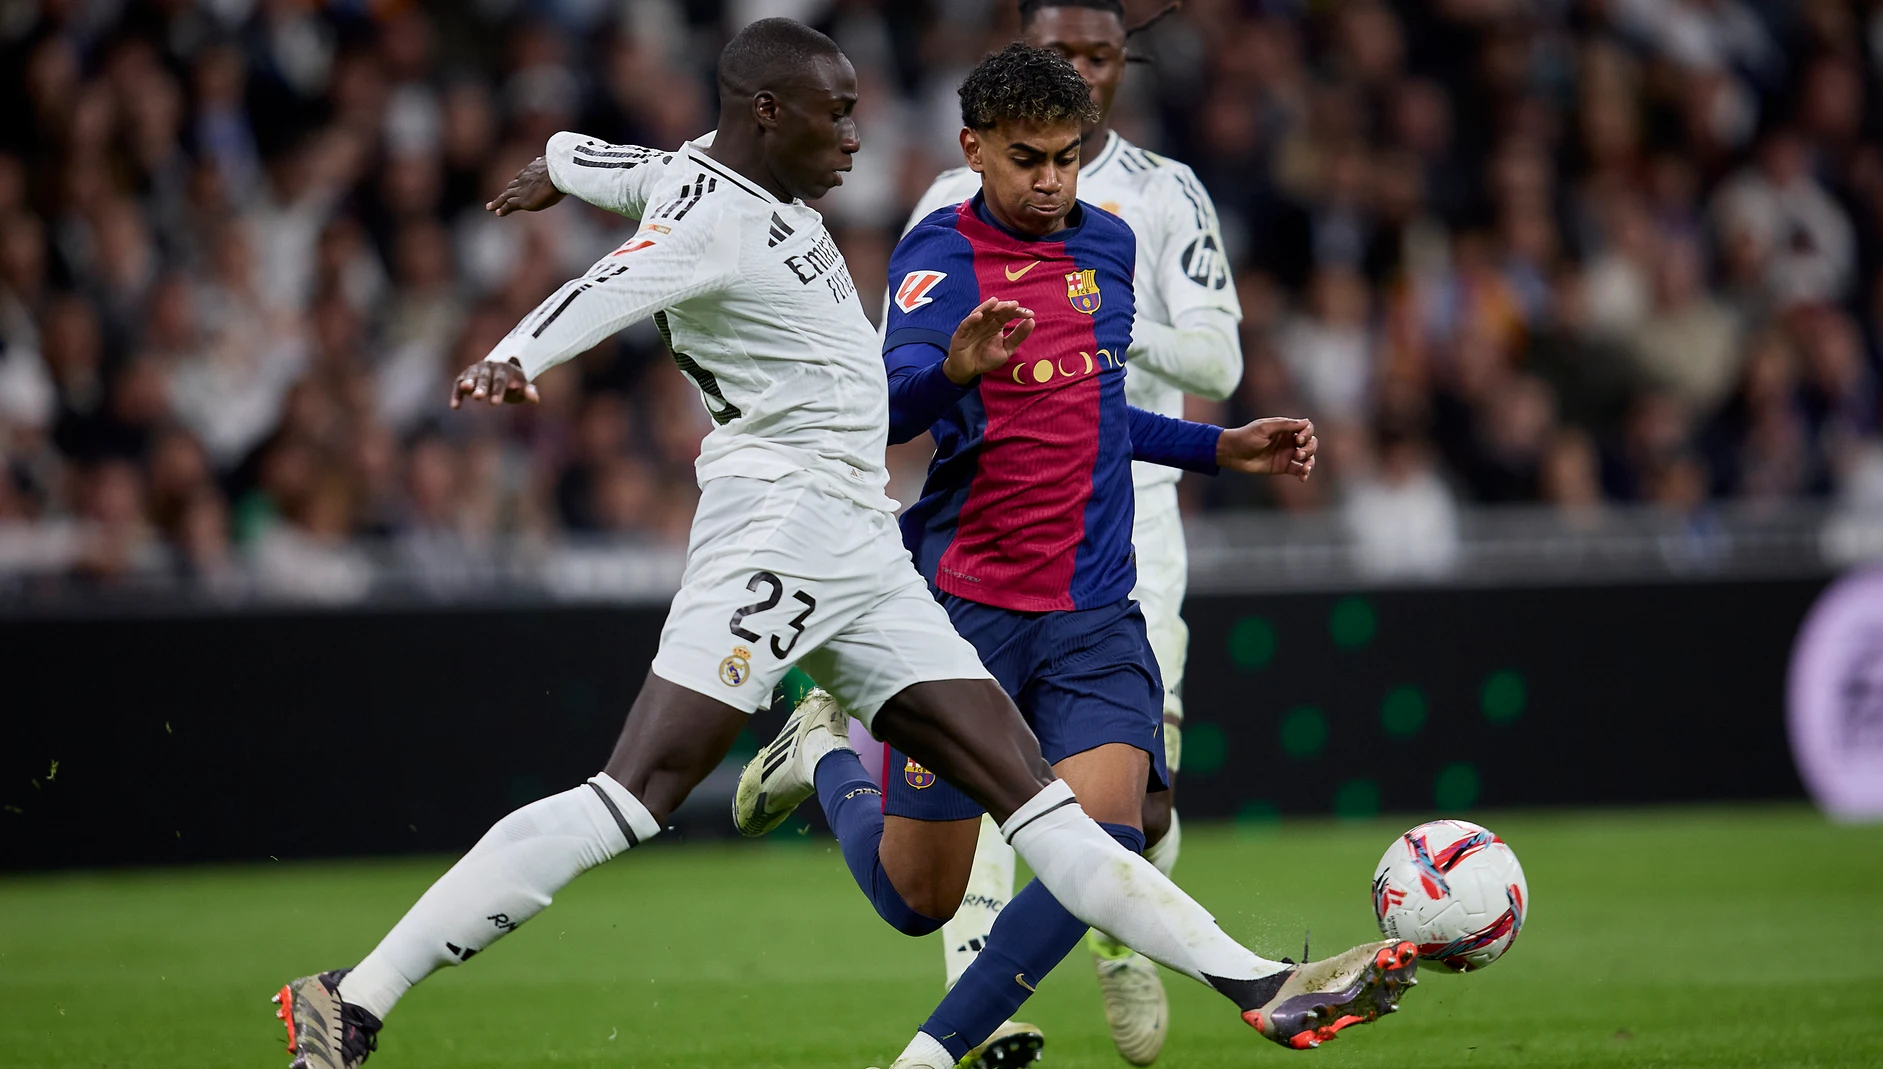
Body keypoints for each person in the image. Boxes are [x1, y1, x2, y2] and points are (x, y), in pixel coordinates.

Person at [272, 20, 1406, 1069]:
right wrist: (515, 355)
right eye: (836, 115)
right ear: (768, 114)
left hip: (863, 542)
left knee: (1039, 804)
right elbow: (610, 281)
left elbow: (615, 163)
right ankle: (354, 995)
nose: (858, 138)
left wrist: (555, 164)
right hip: (777, 528)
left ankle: (1260, 985)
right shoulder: (713, 220)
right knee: (637, 791)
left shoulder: (714, 173)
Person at [884, 3, 1243, 1062]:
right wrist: (961, 368)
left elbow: (1204, 372)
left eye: (1095, 58)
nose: (1051, 173)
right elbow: (889, 390)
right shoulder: (944, 219)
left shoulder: (1147, 209)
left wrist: (1216, 441)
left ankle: (1105, 945)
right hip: (980, 561)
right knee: (937, 871)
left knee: (1126, 819)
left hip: (1119, 535)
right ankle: (986, 1001)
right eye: (1062, 54)